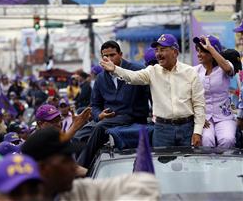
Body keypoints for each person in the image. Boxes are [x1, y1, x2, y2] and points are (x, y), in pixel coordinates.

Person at [100, 34, 205, 148]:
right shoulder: (152, 71)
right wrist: (115, 69)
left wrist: (198, 132)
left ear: (175, 52)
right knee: (162, 165)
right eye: (157, 50)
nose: (158, 54)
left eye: (163, 50)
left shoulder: (190, 72)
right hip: (162, 130)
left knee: (188, 164)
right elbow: (133, 77)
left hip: (187, 128)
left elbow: (199, 104)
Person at [21, 127, 160, 200]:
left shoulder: (76, 191)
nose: (73, 165)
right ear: (43, 168)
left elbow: (145, 182)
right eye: (65, 160)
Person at [77, 40, 150, 168]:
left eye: (112, 55)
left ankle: (82, 167)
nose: (109, 59)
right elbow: (94, 105)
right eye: (106, 56)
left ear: (120, 54)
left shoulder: (137, 71)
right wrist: (99, 115)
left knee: (100, 128)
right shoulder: (100, 78)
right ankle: (76, 168)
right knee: (79, 135)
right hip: (108, 118)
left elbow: (151, 95)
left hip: (132, 115)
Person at [193, 35, 239, 148]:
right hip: (204, 117)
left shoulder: (224, 66)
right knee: (206, 141)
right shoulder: (195, 70)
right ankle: (207, 166)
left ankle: (225, 166)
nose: (199, 54)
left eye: (203, 51)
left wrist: (210, 48)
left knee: (228, 139)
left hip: (225, 116)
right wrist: (198, 118)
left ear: (213, 53)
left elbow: (228, 69)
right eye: (198, 50)